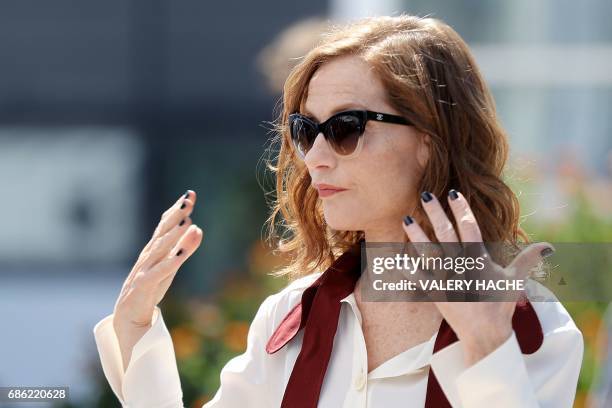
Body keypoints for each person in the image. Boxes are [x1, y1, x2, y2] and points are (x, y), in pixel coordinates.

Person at [93, 14, 584, 407]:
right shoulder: (290, 318)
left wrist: (487, 351)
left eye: (347, 127)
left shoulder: (533, 327)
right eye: (306, 130)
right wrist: (135, 329)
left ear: (431, 143)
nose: (314, 157)